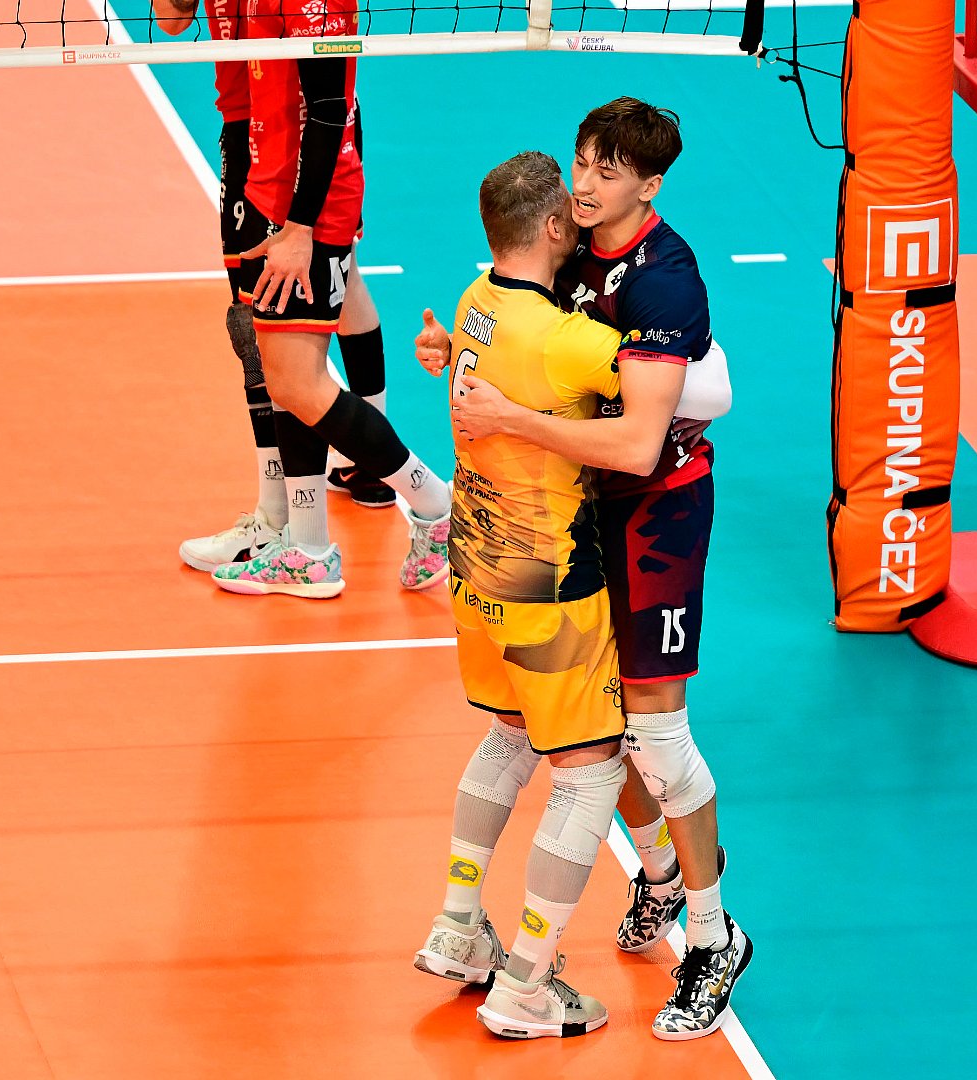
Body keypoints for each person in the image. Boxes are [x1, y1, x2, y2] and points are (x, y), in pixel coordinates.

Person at [416, 98, 749, 1042]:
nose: (587, 184)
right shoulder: (566, 256)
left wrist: (511, 417)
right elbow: (520, 328)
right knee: (597, 729)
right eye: (583, 163)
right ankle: (658, 878)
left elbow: (641, 443)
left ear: (650, 184)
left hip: (657, 516)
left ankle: (714, 937)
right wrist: (458, 352)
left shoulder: (666, 280)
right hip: (578, 517)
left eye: (609, 171)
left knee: (656, 737)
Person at [413, 150, 661, 1039]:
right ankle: (526, 980)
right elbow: (679, 385)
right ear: (555, 227)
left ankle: (457, 927)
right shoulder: (568, 341)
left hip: (475, 572)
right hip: (549, 585)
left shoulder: (475, 301)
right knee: (590, 776)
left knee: (507, 738)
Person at [208, 0, 454, 598]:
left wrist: (300, 228)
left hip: (307, 209)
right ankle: (309, 550)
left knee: (301, 383)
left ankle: (435, 505)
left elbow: (327, 108)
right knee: (285, 376)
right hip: (270, 190)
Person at [152, 0, 395, 582]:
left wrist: (302, 223)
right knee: (266, 322)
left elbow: (329, 91)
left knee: (300, 316)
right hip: (247, 129)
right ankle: (286, 511)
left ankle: (381, 482)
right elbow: (171, 21)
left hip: (310, 131)